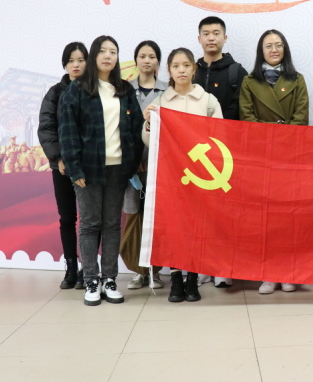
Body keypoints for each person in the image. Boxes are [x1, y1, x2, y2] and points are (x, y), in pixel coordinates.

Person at [59, 35, 144, 306]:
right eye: (103, 51)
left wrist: (131, 164)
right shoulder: (78, 89)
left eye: (113, 52)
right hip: (88, 170)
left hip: (118, 169)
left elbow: (135, 128)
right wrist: (75, 169)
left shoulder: (124, 89)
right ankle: (91, 280)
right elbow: (67, 132)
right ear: (94, 55)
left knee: (111, 225)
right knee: (89, 224)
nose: (108, 56)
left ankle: (109, 279)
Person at [142, 47, 224, 303]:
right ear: (168, 70)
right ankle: (176, 277)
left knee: (197, 225)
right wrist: (148, 123)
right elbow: (149, 141)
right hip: (171, 176)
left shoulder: (208, 100)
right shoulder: (160, 103)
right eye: (176, 66)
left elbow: (220, 136)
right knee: (174, 226)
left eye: (186, 65)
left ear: (194, 69)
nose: (181, 70)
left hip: (200, 176)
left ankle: (193, 277)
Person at [239, 29, 309, 294]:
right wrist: (270, 138)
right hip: (261, 156)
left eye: (279, 45)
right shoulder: (249, 81)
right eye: (268, 46)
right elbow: (246, 118)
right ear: (261, 51)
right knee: (265, 217)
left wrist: (282, 138)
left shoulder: (297, 79)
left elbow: (301, 116)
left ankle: (288, 271)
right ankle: (268, 273)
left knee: (289, 216)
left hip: (290, 155)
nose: (274, 50)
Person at [192, 16, 247, 288]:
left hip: (227, 154)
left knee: (226, 214)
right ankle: (204, 265)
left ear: (225, 38)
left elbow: (241, 109)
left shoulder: (237, 72)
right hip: (194, 152)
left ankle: (224, 267)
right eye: (206, 33)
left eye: (216, 33)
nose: (211, 37)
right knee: (200, 213)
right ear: (199, 39)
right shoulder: (190, 70)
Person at [38, 41, 88, 290]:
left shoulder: (94, 90)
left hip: (88, 166)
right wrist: (58, 158)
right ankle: (71, 267)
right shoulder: (55, 93)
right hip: (62, 167)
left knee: (90, 219)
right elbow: (46, 128)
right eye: (71, 61)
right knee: (67, 218)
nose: (75, 65)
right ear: (65, 64)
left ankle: (89, 268)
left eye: (80, 60)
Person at [123, 41, 168, 291]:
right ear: (136, 60)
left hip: (161, 165)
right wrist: (132, 159)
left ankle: (155, 271)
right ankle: (138, 272)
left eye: (152, 56)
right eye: (142, 56)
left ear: (158, 61)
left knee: (157, 218)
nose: (147, 60)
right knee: (134, 215)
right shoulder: (124, 90)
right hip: (131, 166)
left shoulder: (168, 90)